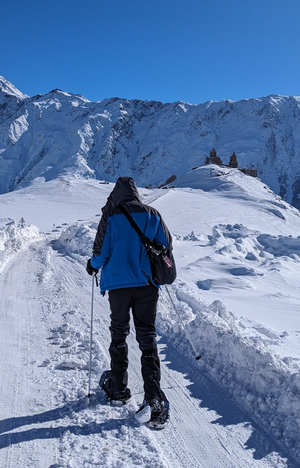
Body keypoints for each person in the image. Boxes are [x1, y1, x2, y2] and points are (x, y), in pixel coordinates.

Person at [86, 176, 173, 428]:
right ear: (136, 194)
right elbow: (166, 248)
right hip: (146, 286)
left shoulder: (111, 215)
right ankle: (154, 399)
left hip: (119, 287)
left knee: (119, 334)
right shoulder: (153, 214)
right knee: (147, 338)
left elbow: (102, 253)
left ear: (116, 195)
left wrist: (92, 266)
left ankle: (118, 388)